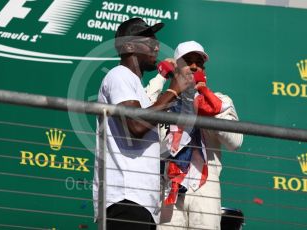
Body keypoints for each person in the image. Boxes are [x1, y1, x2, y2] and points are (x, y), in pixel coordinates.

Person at [93, 18, 194, 230]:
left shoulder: (138, 89)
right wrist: (172, 91)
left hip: (142, 203)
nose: (156, 45)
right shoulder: (119, 75)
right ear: (128, 46)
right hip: (125, 197)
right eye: (149, 39)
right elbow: (136, 126)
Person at [145, 41, 243, 230]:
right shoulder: (163, 102)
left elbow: (236, 142)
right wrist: (161, 76)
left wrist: (209, 113)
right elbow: (141, 116)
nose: (194, 66)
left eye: (199, 62)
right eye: (188, 61)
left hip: (205, 189)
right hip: (168, 187)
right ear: (176, 66)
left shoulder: (220, 101)